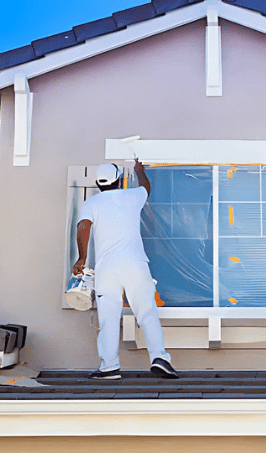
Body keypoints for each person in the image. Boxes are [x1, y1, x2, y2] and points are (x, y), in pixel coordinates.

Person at [72, 160, 178, 380]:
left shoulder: (91, 203)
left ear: (98, 184)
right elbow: (146, 187)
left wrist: (81, 258)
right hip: (135, 265)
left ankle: (109, 367)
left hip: (106, 269)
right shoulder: (132, 197)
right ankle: (159, 358)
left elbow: (83, 226)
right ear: (119, 180)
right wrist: (139, 171)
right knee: (147, 312)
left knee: (108, 318)